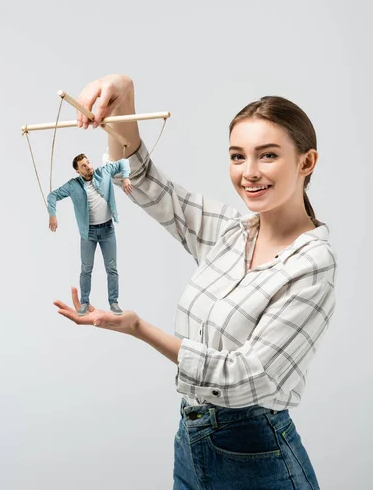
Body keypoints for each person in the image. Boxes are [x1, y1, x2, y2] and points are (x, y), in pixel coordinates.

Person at [54, 74, 336, 489]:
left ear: (306, 162)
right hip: (191, 443)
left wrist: (138, 329)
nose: (249, 172)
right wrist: (125, 95)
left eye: (268, 155)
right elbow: (146, 182)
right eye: (237, 157)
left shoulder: (312, 263)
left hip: (258, 456)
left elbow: (248, 377)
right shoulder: (230, 230)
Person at [47, 149, 133, 316]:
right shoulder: (73, 185)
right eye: (83, 165)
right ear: (78, 171)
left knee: (112, 268)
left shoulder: (104, 172)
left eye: (88, 162)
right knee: (86, 269)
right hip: (88, 234)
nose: (88, 166)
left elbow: (124, 162)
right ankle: (85, 303)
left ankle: (113, 302)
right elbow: (52, 196)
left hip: (108, 229)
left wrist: (126, 177)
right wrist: (52, 214)